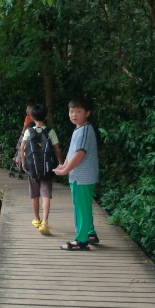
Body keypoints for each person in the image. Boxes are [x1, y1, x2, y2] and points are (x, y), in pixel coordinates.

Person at [54, 98, 100, 251]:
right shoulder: (79, 129)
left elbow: (79, 154)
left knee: (80, 208)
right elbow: (72, 151)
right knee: (84, 206)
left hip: (82, 177)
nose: (74, 114)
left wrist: (65, 171)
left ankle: (81, 241)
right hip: (80, 176)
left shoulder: (85, 130)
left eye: (78, 111)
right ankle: (90, 233)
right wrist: (65, 164)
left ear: (87, 113)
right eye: (71, 111)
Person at [18, 104, 62, 235]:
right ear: (46, 116)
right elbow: (57, 149)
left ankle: (36, 219)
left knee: (35, 194)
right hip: (47, 168)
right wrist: (61, 162)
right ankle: (45, 222)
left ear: (31, 117)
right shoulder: (50, 131)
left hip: (32, 167)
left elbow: (22, 148)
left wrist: (24, 163)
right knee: (46, 194)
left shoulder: (29, 131)